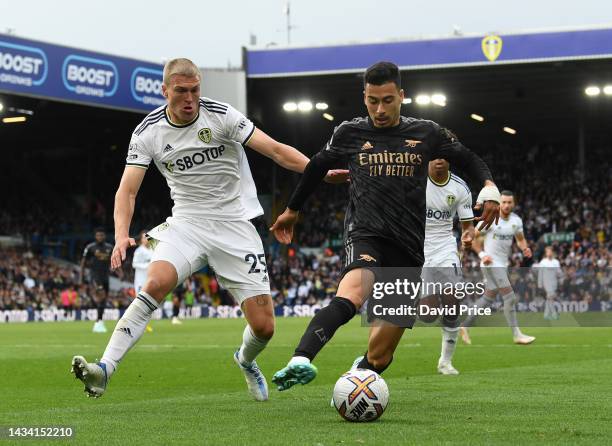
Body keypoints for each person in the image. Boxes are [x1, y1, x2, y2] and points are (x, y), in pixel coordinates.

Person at [71, 57, 347, 400]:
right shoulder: (147, 132)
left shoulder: (222, 115)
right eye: (181, 91)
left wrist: (317, 171)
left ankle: (245, 360)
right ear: (165, 91)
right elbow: (127, 191)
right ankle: (104, 370)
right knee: (155, 283)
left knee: (263, 327)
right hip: (186, 223)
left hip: (235, 225)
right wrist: (119, 235)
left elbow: (275, 150)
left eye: (195, 90)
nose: (190, 99)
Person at [269, 61, 500, 391]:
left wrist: (489, 188)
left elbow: (470, 158)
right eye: (372, 100)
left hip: (407, 250)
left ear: (402, 96)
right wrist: (292, 210)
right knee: (352, 293)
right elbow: (317, 166)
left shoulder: (426, 132)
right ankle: (301, 359)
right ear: (364, 97)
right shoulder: (349, 133)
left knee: (379, 357)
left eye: (388, 100)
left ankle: (356, 382)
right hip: (366, 234)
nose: (379, 109)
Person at [418, 159, 475, 375]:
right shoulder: (416, 180)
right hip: (419, 248)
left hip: (445, 248)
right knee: (428, 315)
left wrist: (468, 238)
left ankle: (445, 362)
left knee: (453, 301)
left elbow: (468, 227)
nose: (439, 159)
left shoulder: (460, 188)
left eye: (444, 155)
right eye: (435, 155)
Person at [460, 190, 536, 345]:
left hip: (502, 264)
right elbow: (472, 237)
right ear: (499, 203)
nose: (507, 205)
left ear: (513, 204)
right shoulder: (489, 219)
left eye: (509, 202)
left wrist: (525, 248)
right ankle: (517, 335)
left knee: (488, 298)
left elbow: (520, 239)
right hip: (490, 263)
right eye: (504, 202)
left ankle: (464, 325)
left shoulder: (516, 221)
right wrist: (482, 254)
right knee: (510, 297)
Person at [80, 228, 113, 333]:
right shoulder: (90, 247)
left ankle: (99, 322)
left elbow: (114, 260)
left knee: (103, 299)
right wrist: (81, 277)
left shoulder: (109, 247)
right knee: (101, 295)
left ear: (104, 236)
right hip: (95, 276)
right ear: (95, 236)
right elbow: (83, 263)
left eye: (102, 235)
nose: (100, 237)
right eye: (98, 235)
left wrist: (119, 272)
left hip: (105, 276)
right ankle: (98, 321)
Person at [132, 230, 153, 332]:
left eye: (148, 237)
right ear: (141, 240)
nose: (146, 239)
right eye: (144, 237)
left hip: (150, 280)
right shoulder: (139, 251)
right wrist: (147, 265)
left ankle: (145, 325)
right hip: (140, 281)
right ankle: (137, 325)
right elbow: (134, 264)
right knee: (140, 303)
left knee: (148, 304)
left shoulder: (153, 250)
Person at [537, 246, 563, 320]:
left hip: (554, 282)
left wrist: (561, 276)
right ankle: (554, 314)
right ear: (546, 253)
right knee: (550, 298)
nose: (548, 253)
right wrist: (540, 284)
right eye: (547, 251)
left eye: (550, 251)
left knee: (549, 298)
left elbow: (559, 273)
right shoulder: (543, 262)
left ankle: (546, 315)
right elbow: (540, 273)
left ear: (552, 252)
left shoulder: (556, 262)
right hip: (546, 282)